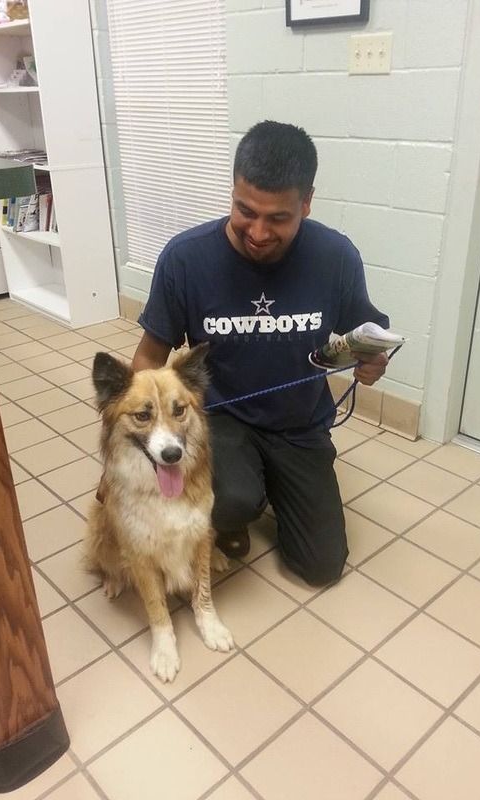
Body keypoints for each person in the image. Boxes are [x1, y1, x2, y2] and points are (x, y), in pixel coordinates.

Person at [131, 120, 389, 586]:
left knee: (320, 567)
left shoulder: (336, 257)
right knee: (232, 500)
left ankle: (272, 485)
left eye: (278, 218)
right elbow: (148, 358)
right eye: (245, 210)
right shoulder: (185, 258)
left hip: (300, 423)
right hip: (219, 418)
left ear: (306, 203)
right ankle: (237, 505)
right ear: (232, 189)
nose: (258, 231)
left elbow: (364, 333)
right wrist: (143, 437)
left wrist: (372, 361)